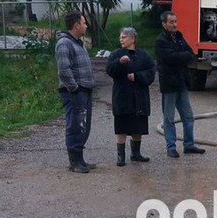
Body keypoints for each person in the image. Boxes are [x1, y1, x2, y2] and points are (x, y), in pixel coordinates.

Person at [155, 11, 206, 158]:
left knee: (188, 117)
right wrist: (183, 56)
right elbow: (171, 58)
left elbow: (190, 53)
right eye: (171, 22)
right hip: (169, 85)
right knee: (169, 119)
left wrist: (181, 56)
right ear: (164, 24)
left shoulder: (179, 36)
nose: (175, 24)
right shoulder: (160, 41)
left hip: (182, 83)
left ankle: (189, 145)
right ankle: (171, 147)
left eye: (175, 21)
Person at [106, 27, 155, 166]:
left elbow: (151, 73)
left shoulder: (144, 56)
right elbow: (109, 70)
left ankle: (136, 153)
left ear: (133, 39)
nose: (121, 39)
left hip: (139, 97)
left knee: (138, 126)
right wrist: (119, 62)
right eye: (120, 37)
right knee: (121, 126)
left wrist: (137, 76)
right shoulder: (115, 54)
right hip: (122, 96)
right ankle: (121, 156)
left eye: (124, 37)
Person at [55, 11, 96, 173]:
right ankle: (74, 161)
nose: (86, 25)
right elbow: (64, 70)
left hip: (84, 90)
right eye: (84, 22)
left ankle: (80, 159)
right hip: (74, 91)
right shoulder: (64, 43)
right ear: (76, 25)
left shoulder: (78, 43)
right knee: (75, 124)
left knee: (83, 125)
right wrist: (75, 89)